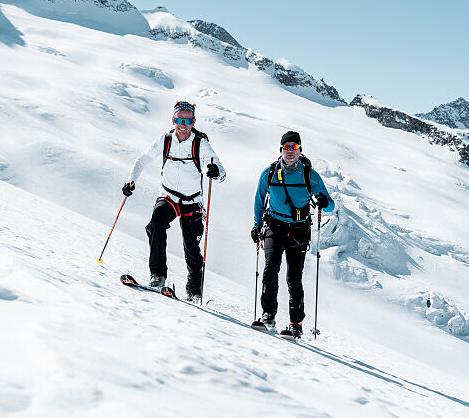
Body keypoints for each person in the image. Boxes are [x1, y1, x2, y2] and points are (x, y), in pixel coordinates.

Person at [123, 100, 227, 302]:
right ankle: (158, 276)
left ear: (193, 122)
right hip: (168, 196)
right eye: (178, 119)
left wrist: (215, 173)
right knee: (156, 223)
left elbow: (222, 173)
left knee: (192, 249)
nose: (182, 124)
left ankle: (194, 294)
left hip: (192, 202)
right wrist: (131, 181)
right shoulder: (165, 140)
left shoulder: (201, 144)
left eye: (187, 120)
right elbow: (142, 159)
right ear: (172, 120)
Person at [251, 131, 333, 338]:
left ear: (300, 150)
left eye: (294, 147)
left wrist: (323, 200)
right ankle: (268, 314)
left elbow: (330, 205)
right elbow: (260, 201)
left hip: (298, 230)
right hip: (274, 227)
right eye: (286, 147)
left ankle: (296, 323)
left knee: (293, 277)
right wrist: (256, 225)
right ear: (280, 150)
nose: (290, 151)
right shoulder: (269, 173)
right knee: (270, 269)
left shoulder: (309, 175)